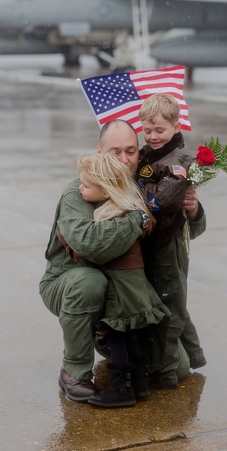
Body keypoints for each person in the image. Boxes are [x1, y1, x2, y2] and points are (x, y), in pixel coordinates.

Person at [41, 121, 152, 402]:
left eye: (131, 151)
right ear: (99, 151)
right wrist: (137, 217)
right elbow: (92, 246)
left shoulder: (140, 185)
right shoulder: (77, 192)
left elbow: (175, 238)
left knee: (172, 366)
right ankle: (74, 371)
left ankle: (118, 345)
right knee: (91, 282)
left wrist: (193, 209)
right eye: (116, 152)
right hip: (68, 282)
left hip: (120, 284)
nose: (125, 160)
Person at [72, 153, 170, 407]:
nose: (79, 188)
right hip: (134, 281)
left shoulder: (109, 214)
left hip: (119, 284)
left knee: (115, 334)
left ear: (106, 192)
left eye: (86, 185)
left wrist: (70, 244)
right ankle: (139, 384)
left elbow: (94, 249)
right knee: (129, 335)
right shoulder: (133, 207)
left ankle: (120, 389)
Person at [136, 93, 207, 389]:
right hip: (149, 245)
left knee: (172, 305)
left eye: (159, 130)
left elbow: (162, 202)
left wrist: (194, 208)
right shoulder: (144, 156)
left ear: (177, 127)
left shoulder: (180, 162)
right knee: (168, 299)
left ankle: (165, 374)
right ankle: (194, 353)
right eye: (147, 130)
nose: (152, 136)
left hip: (169, 245)